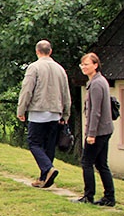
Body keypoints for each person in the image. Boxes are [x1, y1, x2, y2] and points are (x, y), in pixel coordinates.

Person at [17, 40, 72, 188]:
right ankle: (44, 178)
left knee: (34, 142)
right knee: (49, 145)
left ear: (37, 51)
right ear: (50, 51)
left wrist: (21, 109)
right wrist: (66, 114)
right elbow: (66, 93)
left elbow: (27, 90)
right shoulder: (60, 69)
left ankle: (48, 169)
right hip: (55, 112)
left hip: (38, 111)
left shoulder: (34, 67)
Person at [77, 53, 115, 206]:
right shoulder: (97, 81)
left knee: (87, 162)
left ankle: (88, 196)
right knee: (101, 164)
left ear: (95, 65)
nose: (84, 67)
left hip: (99, 131)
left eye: (87, 64)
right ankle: (109, 197)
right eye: (82, 65)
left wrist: (91, 134)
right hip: (104, 129)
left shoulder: (97, 84)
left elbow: (96, 111)